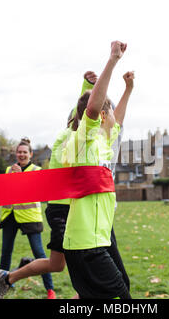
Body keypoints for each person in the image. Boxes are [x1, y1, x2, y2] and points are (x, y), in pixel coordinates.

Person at [0, 71, 98, 299]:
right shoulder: (68, 139)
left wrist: (88, 85)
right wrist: (87, 86)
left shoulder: (80, 139)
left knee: (57, 264)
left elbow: (85, 111)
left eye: (24, 152)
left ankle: (8, 278)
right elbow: (84, 112)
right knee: (80, 262)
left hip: (63, 210)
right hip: (62, 210)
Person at [61, 41, 132, 299]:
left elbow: (118, 118)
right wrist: (113, 60)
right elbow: (93, 108)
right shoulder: (84, 142)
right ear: (103, 116)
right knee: (121, 296)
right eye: (110, 112)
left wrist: (128, 90)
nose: (116, 118)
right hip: (86, 245)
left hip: (98, 240)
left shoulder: (103, 142)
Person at [0, 138, 55, 299]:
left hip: (30, 217)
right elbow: (4, 190)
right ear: (16, 154)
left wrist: (20, 176)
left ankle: (50, 289)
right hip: (10, 216)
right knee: (6, 253)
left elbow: (36, 191)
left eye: (24, 152)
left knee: (39, 253)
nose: (21, 154)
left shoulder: (36, 170)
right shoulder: (10, 169)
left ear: (30, 154)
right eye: (19, 152)